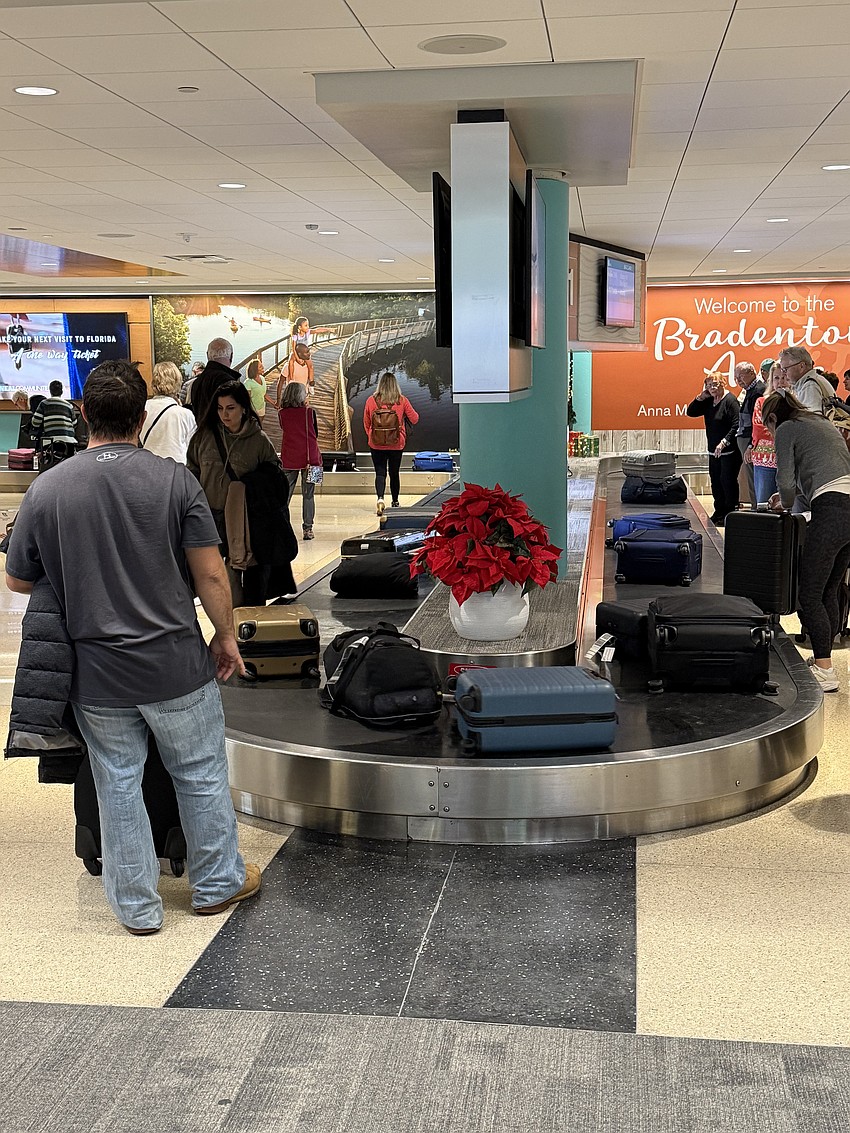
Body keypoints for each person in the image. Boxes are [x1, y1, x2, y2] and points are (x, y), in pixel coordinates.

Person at [4, 360, 260, 934]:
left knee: (116, 777)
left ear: (83, 414)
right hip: (175, 666)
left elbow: (17, 580)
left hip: (96, 675)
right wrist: (224, 636)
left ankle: (137, 908)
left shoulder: (49, 489)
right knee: (198, 773)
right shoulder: (175, 480)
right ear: (141, 416)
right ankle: (217, 883)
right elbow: (212, 576)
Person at [763, 389, 850, 693]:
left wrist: (784, 500)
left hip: (831, 512)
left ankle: (825, 671)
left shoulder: (786, 428)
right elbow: (828, 477)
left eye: (768, 427)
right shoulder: (820, 423)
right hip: (846, 507)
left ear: (773, 417)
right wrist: (792, 498)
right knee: (830, 589)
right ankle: (824, 660)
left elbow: (785, 480)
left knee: (809, 594)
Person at [187, 380, 295, 606]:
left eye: (230, 408)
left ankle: (249, 628)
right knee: (218, 581)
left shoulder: (258, 441)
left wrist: (251, 485)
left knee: (253, 579)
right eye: (219, 408)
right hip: (212, 518)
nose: (224, 415)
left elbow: (275, 482)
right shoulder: (204, 437)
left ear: (244, 408)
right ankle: (228, 628)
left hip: (248, 522)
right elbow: (192, 473)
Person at [686, 370, 741, 526]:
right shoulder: (709, 401)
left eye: (715, 384)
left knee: (727, 481)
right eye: (709, 385)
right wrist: (700, 398)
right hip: (713, 450)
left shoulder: (730, 401)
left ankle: (730, 513)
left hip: (729, 450)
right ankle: (719, 511)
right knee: (716, 482)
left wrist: (724, 441)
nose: (712, 387)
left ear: (723, 383)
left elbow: (736, 424)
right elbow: (691, 412)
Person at [363, 371, 419, 516]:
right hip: (396, 443)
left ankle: (380, 499)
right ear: (395, 385)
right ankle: (395, 502)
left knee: (380, 472)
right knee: (394, 473)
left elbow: (366, 422)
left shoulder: (371, 400)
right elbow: (415, 419)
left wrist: (372, 436)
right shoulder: (402, 400)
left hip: (376, 444)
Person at [279, 381, 321, 541]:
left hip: (289, 459)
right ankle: (308, 529)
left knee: (285, 495)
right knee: (309, 495)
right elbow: (315, 434)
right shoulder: (310, 412)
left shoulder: (282, 414)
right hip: (313, 459)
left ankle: (282, 527)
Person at [745, 362, 787, 508]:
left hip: (789, 459)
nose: (781, 382)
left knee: (788, 505)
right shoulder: (761, 402)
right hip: (765, 458)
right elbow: (759, 429)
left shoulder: (796, 402)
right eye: (776, 378)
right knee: (764, 503)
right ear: (771, 380)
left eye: (784, 378)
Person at [142, 361, 197, 463]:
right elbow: (193, 449)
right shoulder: (184, 414)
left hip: (147, 468)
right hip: (176, 471)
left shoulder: (142, 408)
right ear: (177, 381)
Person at [732, 361, 764, 507]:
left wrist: (752, 444)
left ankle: (757, 507)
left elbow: (756, 420)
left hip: (751, 440)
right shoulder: (750, 390)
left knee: (753, 476)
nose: (738, 381)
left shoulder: (758, 390)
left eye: (740, 376)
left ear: (751, 373)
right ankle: (755, 505)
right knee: (750, 476)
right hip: (746, 438)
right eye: (736, 378)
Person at [189, 339, 241, 423]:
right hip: (223, 435)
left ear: (207, 355)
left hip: (202, 434)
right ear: (231, 356)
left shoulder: (197, 382)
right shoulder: (229, 383)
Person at [778, 346, 834, 413]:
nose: (783, 374)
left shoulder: (810, 386)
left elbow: (811, 419)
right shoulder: (816, 380)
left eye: (785, 369)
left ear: (801, 366)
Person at [30, 380, 79, 457]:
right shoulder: (69, 405)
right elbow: (75, 423)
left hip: (51, 442)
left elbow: (35, 423)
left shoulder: (44, 403)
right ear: (62, 392)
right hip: (69, 442)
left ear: (50, 391)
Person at [244, 357, 273, 424]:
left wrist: (273, 403)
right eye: (260, 366)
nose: (263, 367)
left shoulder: (262, 378)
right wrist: (251, 411)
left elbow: (264, 394)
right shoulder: (248, 383)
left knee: (260, 421)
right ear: (255, 370)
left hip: (261, 406)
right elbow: (246, 400)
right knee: (253, 424)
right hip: (253, 409)